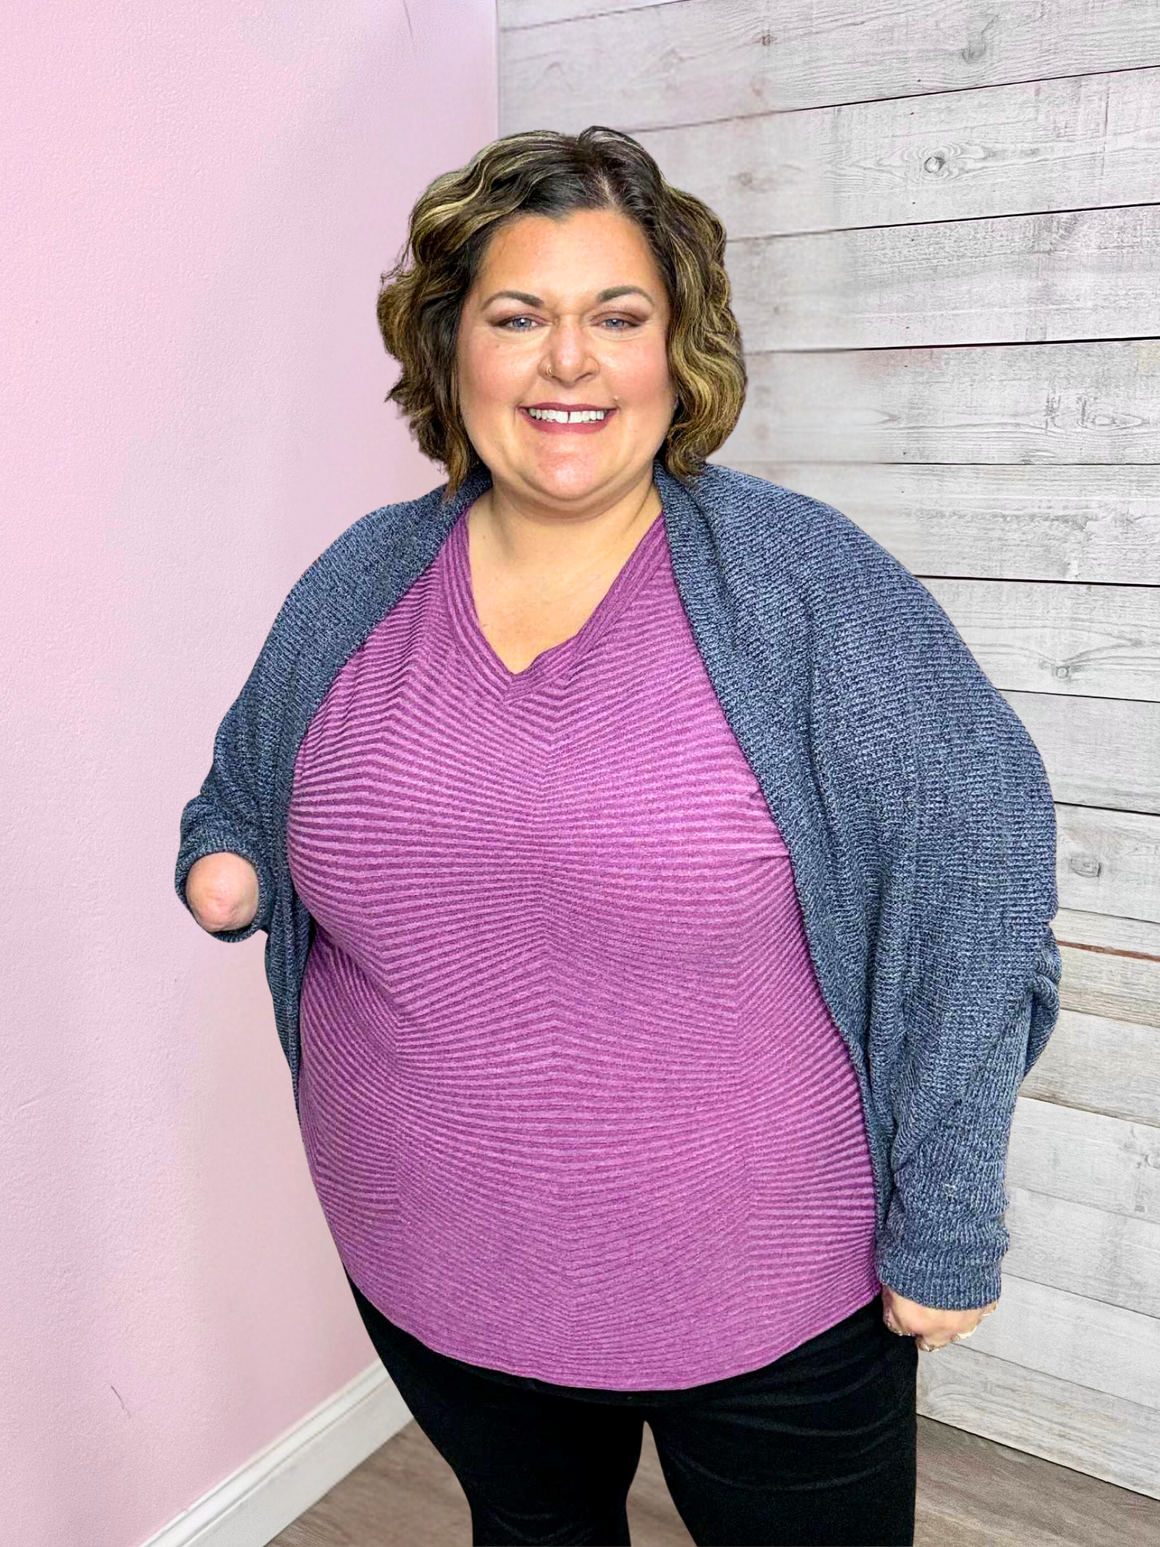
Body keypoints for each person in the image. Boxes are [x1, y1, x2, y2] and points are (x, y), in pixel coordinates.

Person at [176, 127, 1061, 1547]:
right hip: (432, 1264)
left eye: (618, 316)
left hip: (768, 1295)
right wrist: (225, 863)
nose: (569, 362)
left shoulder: (806, 587)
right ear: (450, 347)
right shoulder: (361, 580)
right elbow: (246, 788)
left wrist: (947, 1217)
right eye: (518, 316)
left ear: (677, 349)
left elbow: (977, 885)